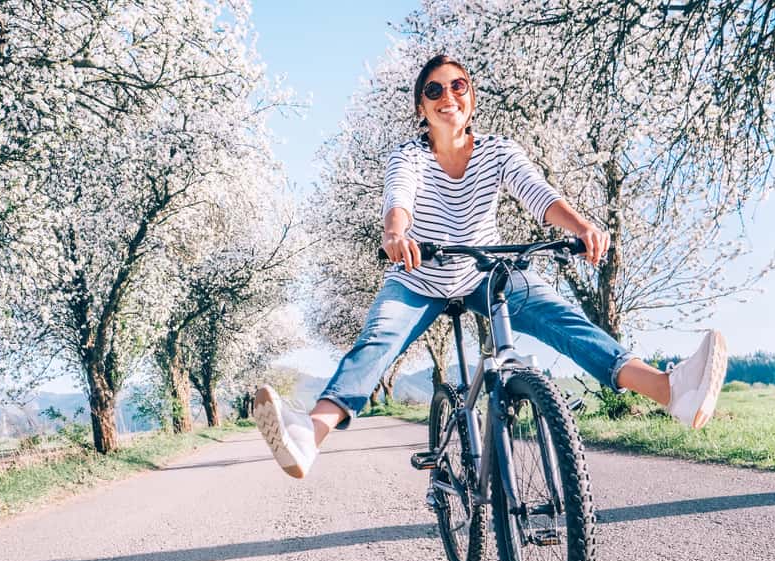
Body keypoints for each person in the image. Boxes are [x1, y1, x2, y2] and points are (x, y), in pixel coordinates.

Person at [254, 55, 727, 479]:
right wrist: (396, 235)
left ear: (471, 98)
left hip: (485, 272)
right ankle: (308, 436)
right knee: (377, 341)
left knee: (562, 319)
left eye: (458, 86)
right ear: (422, 108)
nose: (447, 97)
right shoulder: (410, 156)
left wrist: (581, 226)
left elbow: (538, 193)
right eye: (434, 90)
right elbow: (399, 201)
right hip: (420, 277)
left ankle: (669, 390)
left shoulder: (499, 151)